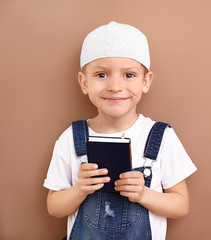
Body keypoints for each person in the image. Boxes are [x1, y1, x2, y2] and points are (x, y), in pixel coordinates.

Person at [43, 21, 197, 240]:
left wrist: (144, 194)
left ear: (146, 81)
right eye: (101, 75)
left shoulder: (161, 137)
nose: (115, 86)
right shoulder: (71, 138)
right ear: (83, 82)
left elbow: (181, 205)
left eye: (129, 75)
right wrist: (80, 189)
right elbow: (54, 207)